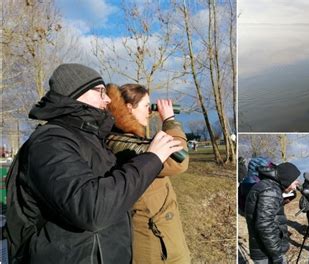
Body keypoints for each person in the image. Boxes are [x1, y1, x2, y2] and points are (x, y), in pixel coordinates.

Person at [5, 63, 183, 263]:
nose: (107, 99)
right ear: (76, 93)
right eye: (100, 91)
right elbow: (93, 209)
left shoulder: (90, 139)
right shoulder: (49, 142)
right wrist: (152, 159)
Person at [105, 83, 190, 264]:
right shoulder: (121, 143)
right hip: (154, 241)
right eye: (146, 106)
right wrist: (169, 120)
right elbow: (178, 161)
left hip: (160, 233)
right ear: (129, 108)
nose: (150, 111)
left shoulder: (124, 137)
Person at [244, 162, 301, 264]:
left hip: (266, 248)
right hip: (266, 253)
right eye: (294, 184)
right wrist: (277, 254)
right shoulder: (271, 190)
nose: (295, 188)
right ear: (287, 179)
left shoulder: (268, 186)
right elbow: (265, 225)